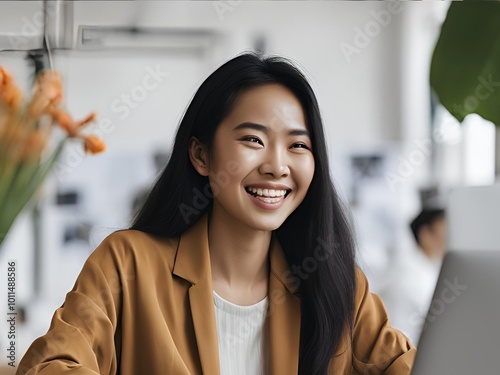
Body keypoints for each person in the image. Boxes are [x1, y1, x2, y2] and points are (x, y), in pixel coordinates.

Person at [17, 52, 415, 375]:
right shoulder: (127, 263)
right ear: (201, 155)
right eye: (253, 140)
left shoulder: (336, 285)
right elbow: (53, 366)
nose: (277, 166)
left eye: (298, 146)